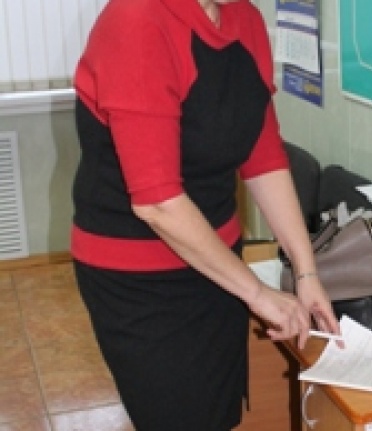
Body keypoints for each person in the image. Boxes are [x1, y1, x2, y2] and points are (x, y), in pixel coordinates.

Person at [71, 0, 339, 429]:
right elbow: (158, 203)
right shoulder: (137, 20)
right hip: (138, 280)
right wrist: (257, 293)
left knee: (216, 413)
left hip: (217, 265)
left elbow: (263, 156)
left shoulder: (244, 19)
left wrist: (306, 273)